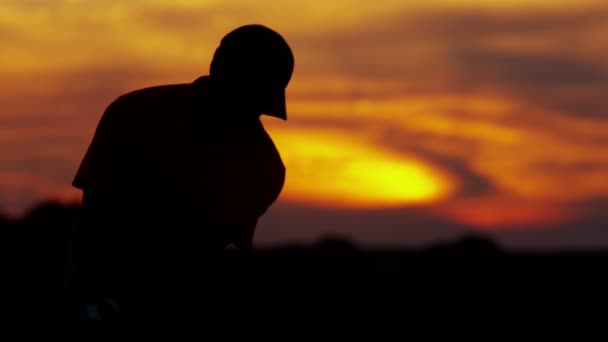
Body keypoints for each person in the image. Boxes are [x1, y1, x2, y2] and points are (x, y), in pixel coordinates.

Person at [70, 24, 294, 318]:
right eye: (244, 94)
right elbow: (95, 217)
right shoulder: (133, 112)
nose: (247, 112)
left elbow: (206, 250)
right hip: (99, 292)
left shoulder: (264, 166)